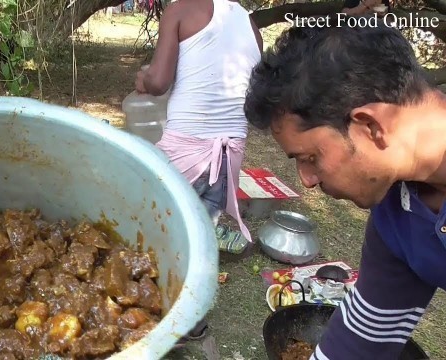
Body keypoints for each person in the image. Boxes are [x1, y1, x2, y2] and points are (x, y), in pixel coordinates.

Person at [244, 21, 446, 359]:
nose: (306, 179)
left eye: (311, 157)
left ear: (370, 126)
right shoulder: (396, 211)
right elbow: (365, 334)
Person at [134, 0, 263, 256]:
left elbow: (159, 82)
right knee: (199, 232)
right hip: (229, 156)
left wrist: (144, 79)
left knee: (154, 230)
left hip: (187, 151)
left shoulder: (180, 10)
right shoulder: (251, 25)